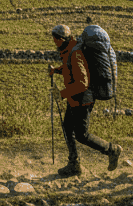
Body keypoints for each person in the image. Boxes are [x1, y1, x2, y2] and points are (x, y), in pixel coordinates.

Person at [48, 24, 122, 178]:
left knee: (82, 135)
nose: (54, 42)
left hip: (83, 99)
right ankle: (74, 164)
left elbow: (82, 83)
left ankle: (112, 150)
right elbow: (71, 69)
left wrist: (62, 93)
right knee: (68, 126)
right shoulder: (71, 49)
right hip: (75, 97)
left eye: (55, 40)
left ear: (61, 39)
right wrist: (57, 70)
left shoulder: (75, 53)